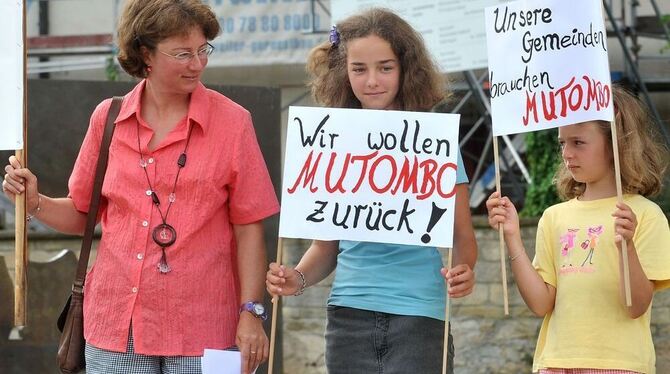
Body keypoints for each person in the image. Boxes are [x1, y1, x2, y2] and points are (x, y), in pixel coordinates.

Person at [2, 1, 279, 373]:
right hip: (116, 325)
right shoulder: (108, 117)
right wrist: (35, 203)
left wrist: (251, 311)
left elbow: (249, 228)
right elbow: (82, 214)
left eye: (203, 50)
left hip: (207, 327)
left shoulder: (233, 123)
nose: (197, 63)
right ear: (144, 53)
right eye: (183, 54)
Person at [266, 8, 478, 374]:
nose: (372, 80)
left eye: (385, 67)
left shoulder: (435, 140)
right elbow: (326, 247)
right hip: (348, 317)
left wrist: (464, 269)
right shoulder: (334, 141)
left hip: (421, 316)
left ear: (406, 69)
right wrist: (295, 278)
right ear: (343, 72)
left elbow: (462, 236)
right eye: (359, 69)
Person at [486, 86, 670, 374]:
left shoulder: (646, 215)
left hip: (620, 365)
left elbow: (635, 306)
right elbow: (540, 303)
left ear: (616, 144)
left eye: (578, 142)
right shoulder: (553, 217)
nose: (567, 154)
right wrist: (512, 237)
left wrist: (627, 246)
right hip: (555, 363)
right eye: (562, 143)